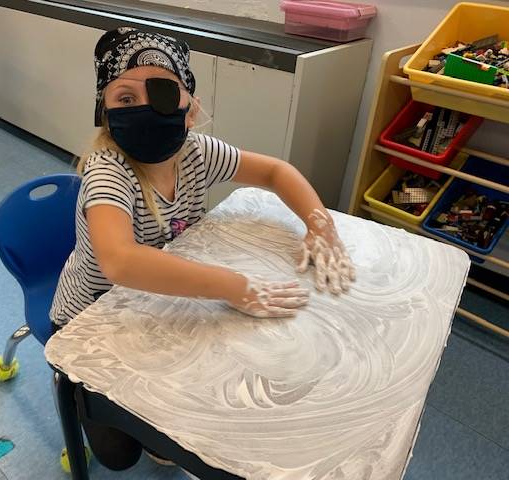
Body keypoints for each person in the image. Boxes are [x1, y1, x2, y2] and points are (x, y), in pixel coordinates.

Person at [50, 27, 356, 471]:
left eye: (160, 92)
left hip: (156, 303)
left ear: (189, 109)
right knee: (118, 456)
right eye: (124, 98)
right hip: (91, 316)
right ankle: (70, 395)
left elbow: (276, 172)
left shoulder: (196, 153)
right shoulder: (107, 172)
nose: (142, 108)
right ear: (104, 112)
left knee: (175, 426)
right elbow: (120, 261)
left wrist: (319, 224)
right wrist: (234, 287)